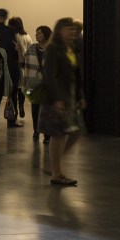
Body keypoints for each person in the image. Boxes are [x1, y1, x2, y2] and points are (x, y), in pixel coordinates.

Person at [38, 17, 85, 186]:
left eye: (73, 29)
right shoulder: (53, 49)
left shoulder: (71, 48)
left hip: (69, 97)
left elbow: (76, 75)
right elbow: (50, 75)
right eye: (68, 29)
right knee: (58, 134)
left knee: (75, 132)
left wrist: (80, 97)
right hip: (56, 99)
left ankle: (55, 165)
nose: (72, 32)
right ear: (59, 31)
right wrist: (58, 98)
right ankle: (56, 173)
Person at [0, 9, 24, 128]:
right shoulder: (12, 31)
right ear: (6, 17)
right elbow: (17, 48)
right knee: (13, 94)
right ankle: (11, 120)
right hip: (11, 65)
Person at [19, 25, 50, 137]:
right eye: (36, 33)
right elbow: (23, 64)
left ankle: (47, 134)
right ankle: (36, 131)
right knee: (35, 108)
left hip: (47, 84)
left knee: (46, 109)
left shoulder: (52, 49)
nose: (36, 35)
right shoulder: (32, 48)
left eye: (39, 33)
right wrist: (19, 52)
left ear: (46, 34)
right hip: (33, 82)